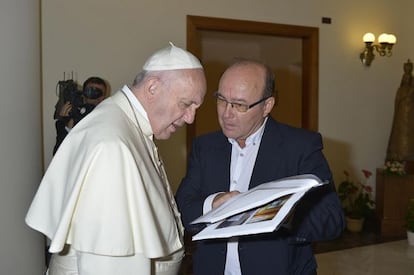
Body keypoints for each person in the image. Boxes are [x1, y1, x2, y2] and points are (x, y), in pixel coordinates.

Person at [25, 42, 207, 275]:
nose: (190, 118)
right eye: (186, 104)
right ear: (153, 88)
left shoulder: (128, 124)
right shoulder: (112, 146)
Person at [176, 59, 345, 275]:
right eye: (221, 100)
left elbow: (332, 219)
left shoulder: (300, 146)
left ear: (267, 105)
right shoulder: (205, 147)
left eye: (239, 105)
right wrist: (214, 203)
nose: (227, 113)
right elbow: (182, 208)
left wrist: (275, 214)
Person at [53, 76, 108, 155]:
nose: (95, 97)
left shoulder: (108, 118)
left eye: (98, 93)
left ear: (103, 97)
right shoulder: (72, 117)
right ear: (84, 94)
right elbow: (58, 155)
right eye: (91, 92)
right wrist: (66, 126)